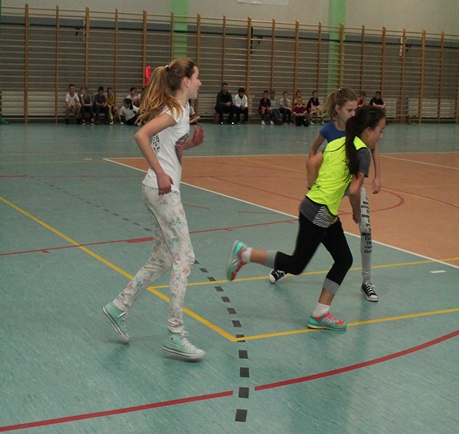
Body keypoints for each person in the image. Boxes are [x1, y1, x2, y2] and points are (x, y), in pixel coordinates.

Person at [226, 106, 387, 330]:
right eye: (380, 130)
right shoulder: (362, 153)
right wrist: (357, 213)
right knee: (296, 264)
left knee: (344, 259)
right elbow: (353, 191)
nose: (381, 136)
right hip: (320, 212)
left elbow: (311, 163)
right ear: (368, 130)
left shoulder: (338, 142)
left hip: (319, 208)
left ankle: (320, 314)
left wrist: (313, 187)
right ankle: (244, 253)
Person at [102, 57, 206, 361]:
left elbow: (169, 145)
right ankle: (175, 335)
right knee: (184, 258)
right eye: (197, 77)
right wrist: (161, 172)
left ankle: (119, 306)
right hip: (163, 191)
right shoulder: (175, 110)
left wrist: (190, 145)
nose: (200, 83)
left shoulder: (180, 109)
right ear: (185, 81)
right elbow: (141, 135)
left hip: (154, 190)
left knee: (162, 258)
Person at [285, 87, 382, 302]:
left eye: (355, 110)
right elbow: (313, 151)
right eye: (350, 110)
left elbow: (372, 147)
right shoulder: (328, 130)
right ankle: (287, 265)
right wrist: (313, 179)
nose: (354, 114)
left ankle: (367, 281)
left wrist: (377, 175)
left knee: (366, 229)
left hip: (353, 183)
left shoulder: (357, 128)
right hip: (333, 186)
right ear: (338, 109)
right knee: (313, 230)